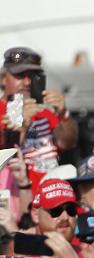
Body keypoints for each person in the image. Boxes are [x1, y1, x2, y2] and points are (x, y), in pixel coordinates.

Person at [0, 46, 78, 191]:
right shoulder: (2, 109)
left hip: (48, 201)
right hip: (15, 200)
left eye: (32, 76)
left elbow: (68, 143)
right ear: (4, 78)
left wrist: (63, 114)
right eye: (20, 76)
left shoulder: (44, 111)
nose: (27, 82)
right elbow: (4, 155)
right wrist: (20, 123)